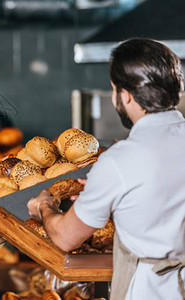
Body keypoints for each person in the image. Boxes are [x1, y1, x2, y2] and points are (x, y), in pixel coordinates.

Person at [27, 38, 185, 300]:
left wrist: (45, 206)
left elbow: (66, 238)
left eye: (113, 90)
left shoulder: (119, 160)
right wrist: (114, 193)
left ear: (125, 95)